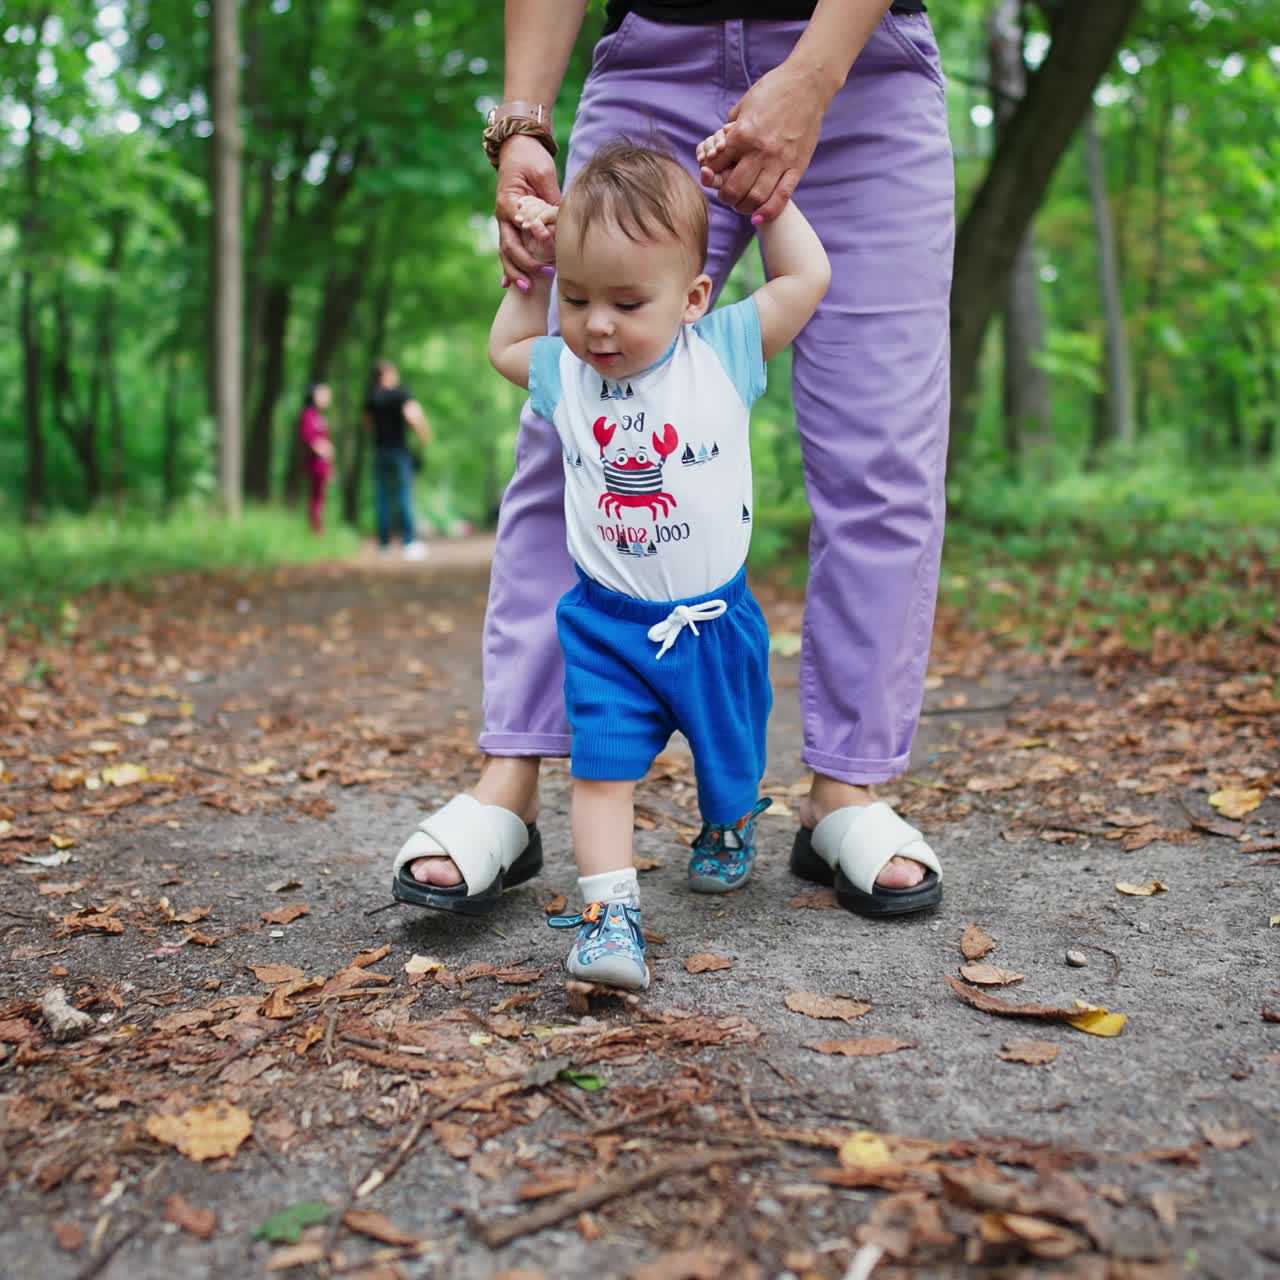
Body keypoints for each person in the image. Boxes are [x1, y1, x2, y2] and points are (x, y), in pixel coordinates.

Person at [392, 0, 950, 922]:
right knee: (562, 446)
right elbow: (525, 353)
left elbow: (799, 292)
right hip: (656, 58)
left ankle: (846, 788)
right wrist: (523, 120)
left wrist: (813, 74)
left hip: (860, 73)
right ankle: (511, 778)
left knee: (880, 454)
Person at [397, 140, 829, 988]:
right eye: (582, 297)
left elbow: (804, 282)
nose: (598, 323)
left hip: (716, 625)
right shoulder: (565, 370)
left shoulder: (725, 352)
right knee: (600, 770)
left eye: (628, 302)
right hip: (607, 628)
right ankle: (608, 918)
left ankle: (729, 823)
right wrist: (530, 274)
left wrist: (769, 206)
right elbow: (504, 346)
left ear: (694, 297)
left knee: (731, 760)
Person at [363, 360, 432, 561]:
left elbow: (367, 424)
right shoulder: (400, 393)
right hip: (400, 452)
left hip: (380, 451)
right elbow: (413, 416)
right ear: (387, 374)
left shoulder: (371, 396)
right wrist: (424, 434)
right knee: (404, 495)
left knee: (382, 497)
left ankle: (384, 546)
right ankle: (409, 542)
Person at [299, 383, 336, 535]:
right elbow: (308, 437)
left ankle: (318, 529)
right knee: (316, 497)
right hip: (315, 463)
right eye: (324, 394)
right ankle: (316, 530)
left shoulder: (320, 416)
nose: (328, 398)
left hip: (323, 464)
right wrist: (322, 448)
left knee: (321, 497)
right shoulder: (309, 415)